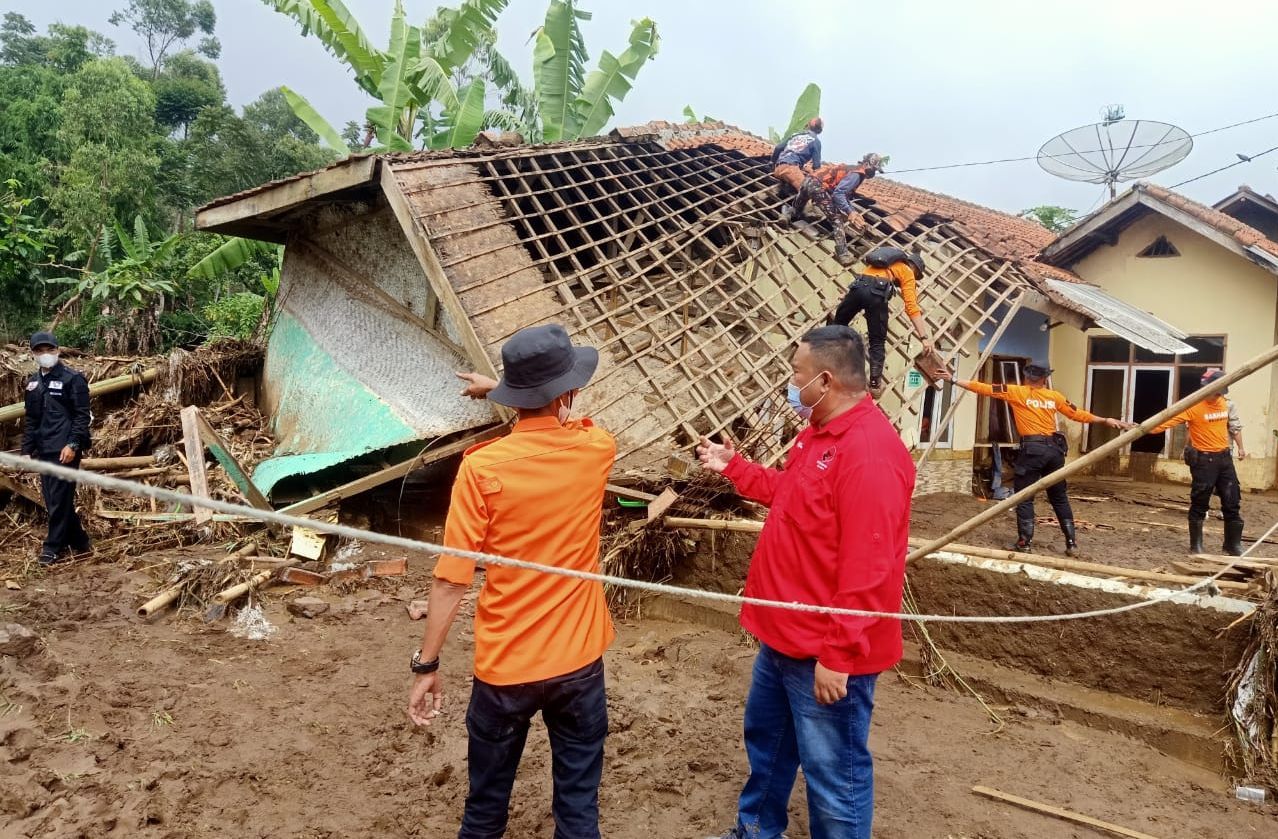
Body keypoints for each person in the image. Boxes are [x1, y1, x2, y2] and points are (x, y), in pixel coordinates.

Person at [699, 325, 915, 839]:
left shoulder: (869, 453)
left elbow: (871, 566)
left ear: (824, 379)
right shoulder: (818, 434)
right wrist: (736, 469)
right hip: (783, 635)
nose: (790, 384)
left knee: (834, 771)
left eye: (795, 375)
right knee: (768, 745)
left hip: (825, 646)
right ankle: (755, 830)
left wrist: (839, 655)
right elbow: (790, 494)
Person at [405, 324, 616, 839]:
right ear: (567, 394)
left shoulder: (479, 469)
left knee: (484, 809)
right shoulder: (596, 449)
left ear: (514, 396)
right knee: (578, 807)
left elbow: (452, 581)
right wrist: (504, 391)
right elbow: (562, 425)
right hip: (579, 663)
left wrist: (426, 664)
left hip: (505, 669)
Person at [941, 362, 1130, 555]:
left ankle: (1025, 542)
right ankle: (1071, 543)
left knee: (1024, 496)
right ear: (1045, 379)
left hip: (1032, 450)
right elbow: (1076, 414)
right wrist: (1104, 420)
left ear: (1026, 377)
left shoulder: (1017, 392)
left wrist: (953, 380)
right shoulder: (1054, 396)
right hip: (1055, 451)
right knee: (1059, 497)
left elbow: (983, 388)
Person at [1147, 368, 1246, 555]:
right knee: (1200, 502)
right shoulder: (1193, 406)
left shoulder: (1225, 404)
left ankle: (1232, 545)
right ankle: (1197, 546)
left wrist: (1241, 448)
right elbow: (1165, 422)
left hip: (1225, 459)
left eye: (1217, 390)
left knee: (1232, 502)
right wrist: (1143, 429)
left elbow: (1234, 428)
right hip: (1204, 461)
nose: (1213, 394)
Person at [21, 331, 92, 565]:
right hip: (44, 448)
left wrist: (73, 444)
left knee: (59, 499)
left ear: (58, 350)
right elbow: (31, 420)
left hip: (65, 448)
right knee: (53, 498)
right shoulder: (32, 383)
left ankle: (52, 547)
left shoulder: (73, 379)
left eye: (49, 350)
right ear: (33, 354)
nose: (45, 355)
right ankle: (80, 541)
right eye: (40, 351)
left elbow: (82, 417)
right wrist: (26, 451)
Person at [829, 245, 933, 398]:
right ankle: (875, 384)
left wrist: (846, 298)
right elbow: (911, 307)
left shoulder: (881, 263)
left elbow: (862, 282)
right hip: (875, 295)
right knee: (877, 341)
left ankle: (823, 359)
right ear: (915, 269)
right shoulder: (907, 272)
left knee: (836, 326)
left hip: (857, 288)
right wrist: (924, 337)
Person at [790, 154, 885, 265]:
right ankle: (843, 255)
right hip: (818, 187)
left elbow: (844, 196)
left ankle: (787, 216)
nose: (873, 173)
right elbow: (838, 194)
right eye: (873, 169)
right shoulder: (857, 174)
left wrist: (852, 211)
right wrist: (850, 212)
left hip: (808, 181)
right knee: (837, 221)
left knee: (798, 206)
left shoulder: (851, 168)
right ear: (866, 164)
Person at [771, 117, 824, 206]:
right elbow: (817, 166)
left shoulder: (795, 135)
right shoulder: (815, 141)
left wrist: (773, 163)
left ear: (808, 125)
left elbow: (778, 148)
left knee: (790, 188)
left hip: (778, 168)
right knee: (808, 193)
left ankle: (784, 196)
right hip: (791, 168)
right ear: (819, 130)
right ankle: (792, 213)